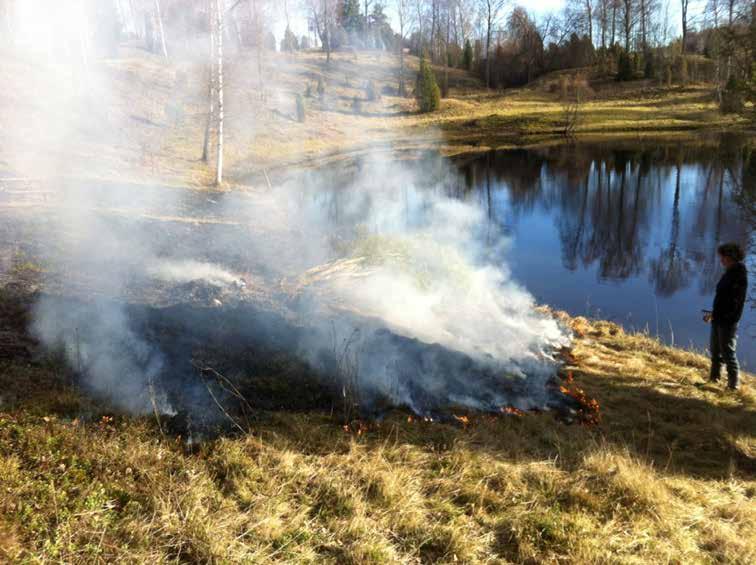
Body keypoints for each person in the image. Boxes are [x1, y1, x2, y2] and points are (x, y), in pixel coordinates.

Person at [703, 243, 748, 390]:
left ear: (730, 257)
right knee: (715, 352)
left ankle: (733, 386)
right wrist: (713, 314)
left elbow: (735, 302)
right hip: (718, 318)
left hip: (728, 322)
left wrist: (726, 318)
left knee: (728, 353)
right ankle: (713, 381)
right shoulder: (729, 272)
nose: (721, 260)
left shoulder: (739, 275)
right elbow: (722, 299)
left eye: (723, 257)